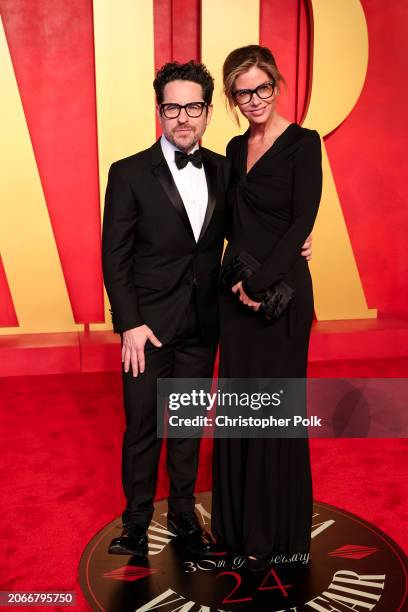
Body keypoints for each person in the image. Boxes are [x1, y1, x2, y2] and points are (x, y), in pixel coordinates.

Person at [102, 59, 312, 558]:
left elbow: (262, 220)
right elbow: (114, 256)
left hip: (205, 320)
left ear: (209, 111)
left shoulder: (225, 166)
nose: (182, 117)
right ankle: (135, 521)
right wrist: (129, 322)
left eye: (192, 106)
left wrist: (300, 243)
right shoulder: (127, 172)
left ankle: (180, 513)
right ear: (159, 111)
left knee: (188, 424)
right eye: (172, 107)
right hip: (147, 325)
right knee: (143, 424)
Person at [211, 45, 322, 571]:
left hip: (280, 296)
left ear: (276, 85)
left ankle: (272, 534)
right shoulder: (234, 149)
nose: (253, 99)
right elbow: (231, 223)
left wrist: (261, 281)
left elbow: (302, 222)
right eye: (242, 91)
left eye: (262, 88)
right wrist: (240, 280)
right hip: (237, 294)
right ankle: (235, 527)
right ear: (232, 96)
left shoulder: (304, 143)